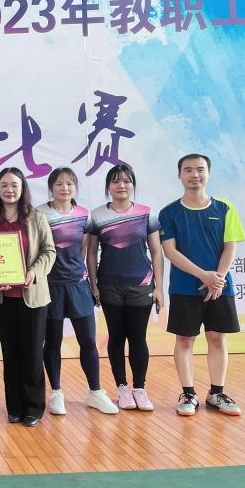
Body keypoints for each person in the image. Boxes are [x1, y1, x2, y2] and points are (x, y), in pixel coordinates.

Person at [159, 154, 245, 417]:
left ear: (208, 173)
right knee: (185, 339)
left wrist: (217, 279)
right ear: (179, 175)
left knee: (217, 338)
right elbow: (170, 251)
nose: (194, 175)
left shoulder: (225, 209)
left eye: (200, 169)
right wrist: (202, 275)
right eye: (188, 170)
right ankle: (188, 394)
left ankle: (216, 393)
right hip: (184, 287)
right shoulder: (169, 213)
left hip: (220, 287)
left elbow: (230, 247)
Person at [38, 168, 118, 416]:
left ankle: (95, 392)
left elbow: (87, 251)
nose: (65, 188)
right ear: (51, 187)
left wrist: (92, 285)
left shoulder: (84, 214)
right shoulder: (39, 214)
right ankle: (56, 392)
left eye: (70, 183)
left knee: (88, 342)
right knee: (52, 342)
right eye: (59, 184)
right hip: (50, 286)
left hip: (78, 285)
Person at [0, 167, 56, 427]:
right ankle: (14, 406)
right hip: (3, 298)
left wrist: (34, 272)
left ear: (22, 188)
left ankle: (34, 407)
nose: (9, 190)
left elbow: (49, 251)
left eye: (14, 185)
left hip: (32, 295)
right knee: (10, 352)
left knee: (32, 352)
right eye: (4, 185)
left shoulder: (36, 217)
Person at [87, 163, 164, 411]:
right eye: (116, 181)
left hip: (141, 285)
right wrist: (93, 284)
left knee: (138, 338)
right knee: (117, 337)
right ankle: (122, 388)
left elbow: (156, 251)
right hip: (110, 286)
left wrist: (159, 288)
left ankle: (139, 388)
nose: (122, 185)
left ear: (133, 185)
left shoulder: (146, 213)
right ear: (108, 186)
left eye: (127, 181)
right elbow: (91, 253)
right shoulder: (97, 215)